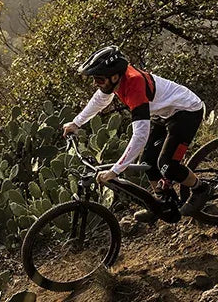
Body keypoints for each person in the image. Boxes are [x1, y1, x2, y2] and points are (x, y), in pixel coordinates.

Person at [62, 45, 209, 221]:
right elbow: (100, 100)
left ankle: (201, 188)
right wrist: (76, 123)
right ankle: (161, 204)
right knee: (147, 162)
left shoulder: (134, 85)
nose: (96, 83)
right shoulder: (118, 80)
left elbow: (140, 136)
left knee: (167, 165)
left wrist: (115, 171)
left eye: (99, 79)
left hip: (187, 111)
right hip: (164, 113)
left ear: (114, 76)